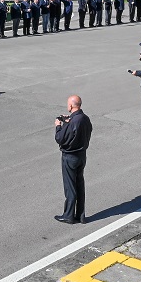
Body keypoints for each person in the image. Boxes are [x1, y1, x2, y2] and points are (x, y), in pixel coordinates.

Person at [54, 94, 92, 224]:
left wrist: (59, 126)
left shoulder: (74, 122)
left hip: (70, 157)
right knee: (79, 185)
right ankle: (80, 215)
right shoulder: (85, 119)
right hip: (81, 156)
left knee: (70, 187)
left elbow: (60, 138)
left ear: (71, 105)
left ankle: (68, 215)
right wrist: (68, 122)